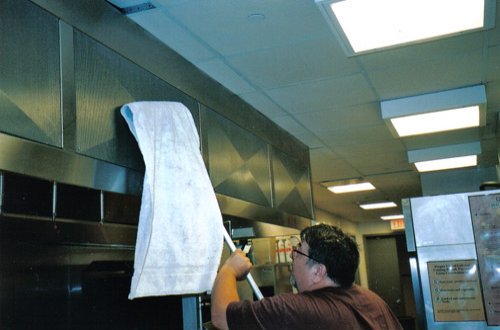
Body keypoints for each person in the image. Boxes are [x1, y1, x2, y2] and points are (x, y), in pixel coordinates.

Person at [211, 224, 403, 330]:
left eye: (298, 253)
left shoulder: (295, 309)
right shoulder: (373, 301)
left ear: (318, 271)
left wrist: (229, 270)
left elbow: (221, 316)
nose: (291, 258)